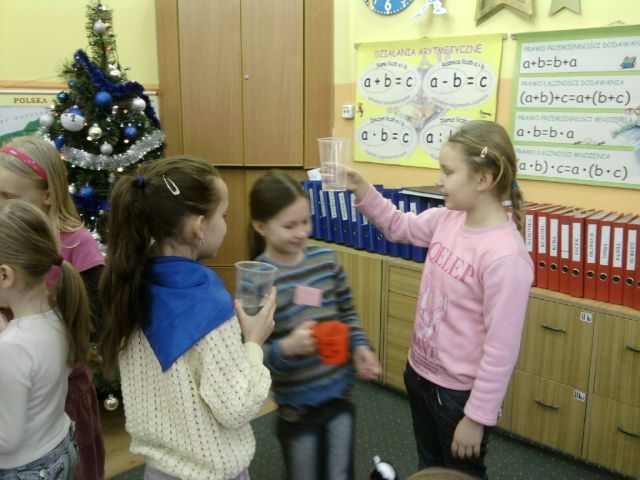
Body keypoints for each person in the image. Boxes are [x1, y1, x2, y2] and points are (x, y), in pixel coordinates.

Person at [347, 120, 534, 479]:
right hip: (420, 375)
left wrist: (476, 418)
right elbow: (398, 226)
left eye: (448, 172)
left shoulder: (505, 257)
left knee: (459, 475)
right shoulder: (448, 219)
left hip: (458, 398)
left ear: (483, 179)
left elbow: (501, 350)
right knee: (430, 468)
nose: (438, 180)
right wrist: (363, 189)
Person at [100, 155, 275, 480]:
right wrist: (253, 342)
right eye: (223, 215)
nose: (226, 224)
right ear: (199, 226)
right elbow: (236, 407)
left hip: (158, 471)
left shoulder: (129, 283)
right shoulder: (207, 300)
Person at [248, 171, 381, 480]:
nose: (301, 232)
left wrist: (360, 346)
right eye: (289, 226)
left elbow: (347, 313)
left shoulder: (326, 260)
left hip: (340, 395)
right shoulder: (257, 280)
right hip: (297, 408)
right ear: (261, 226)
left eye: (305, 222)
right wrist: (286, 348)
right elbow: (251, 354)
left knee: (340, 474)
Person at [0, 136, 105, 480]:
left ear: (47, 194)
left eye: (9, 197)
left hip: (61, 390)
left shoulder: (77, 243)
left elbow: (95, 318)